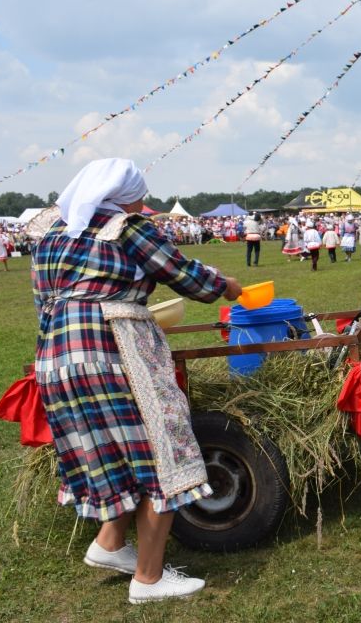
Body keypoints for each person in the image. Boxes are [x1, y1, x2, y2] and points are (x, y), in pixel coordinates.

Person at [30, 158, 242, 604]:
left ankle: (109, 544)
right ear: (124, 194)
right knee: (162, 449)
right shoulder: (128, 227)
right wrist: (226, 285)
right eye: (141, 194)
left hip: (56, 355)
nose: (144, 202)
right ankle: (148, 579)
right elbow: (185, 276)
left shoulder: (52, 234)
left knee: (113, 450)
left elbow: (42, 300)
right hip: (113, 348)